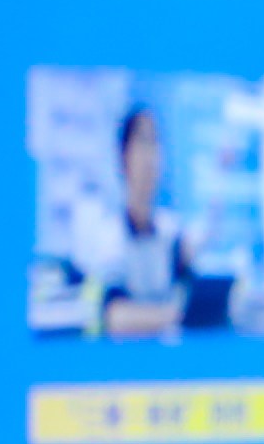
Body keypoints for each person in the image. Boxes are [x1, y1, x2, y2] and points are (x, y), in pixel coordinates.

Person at [79, 103, 197, 337]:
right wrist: (174, 316)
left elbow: (190, 295)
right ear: (124, 156)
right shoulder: (109, 234)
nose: (151, 155)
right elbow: (115, 317)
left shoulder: (171, 232)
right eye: (142, 142)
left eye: (155, 142)